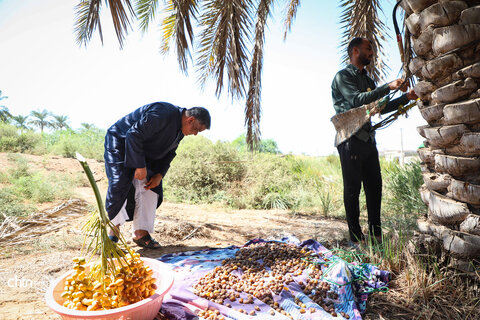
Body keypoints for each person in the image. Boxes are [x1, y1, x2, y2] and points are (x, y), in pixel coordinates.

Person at [331, 37, 418, 244]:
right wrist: (388, 87)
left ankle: (376, 235)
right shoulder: (342, 77)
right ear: (354, 51)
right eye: (368, 49)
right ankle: (355, 237)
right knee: (353, 189)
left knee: (374, 187)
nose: (371, 53)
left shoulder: (368, 81)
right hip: (350, 139)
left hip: (368, 139)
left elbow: (380, 107)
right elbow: (356, 100)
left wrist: (407, 97)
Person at [104, 102, 211, 248]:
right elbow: (133, 134)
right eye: (196, 129)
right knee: (120, 183)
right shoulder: (162, 113)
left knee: (151, 186)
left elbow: (170, 153)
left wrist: (160, 174)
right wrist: (140, 165)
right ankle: (112, 235)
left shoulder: (180, 131)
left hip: (144, 152)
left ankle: (141, 234)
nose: (195, 133)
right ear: (190, 119)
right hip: (120, 143)